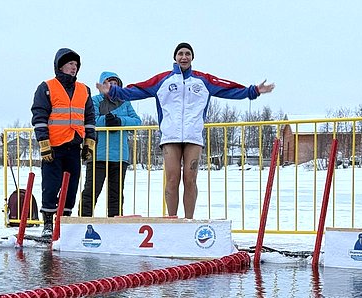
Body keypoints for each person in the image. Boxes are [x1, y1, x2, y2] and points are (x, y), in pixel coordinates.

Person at [96, 42, 274, 219]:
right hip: (170, 137)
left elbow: (228, 89)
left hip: (193, 137)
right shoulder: (162, 80)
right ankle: (172, 220)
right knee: (172, 180)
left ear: (192, 58)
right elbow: (137, 90)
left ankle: (189, 221)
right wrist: (113, 91)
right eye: (180, 53)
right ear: (175, 57)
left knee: (190, 179)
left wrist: (254, 91)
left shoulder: (203, 80)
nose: (184, 57)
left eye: (187, 53)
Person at [31, 48, 96, 238]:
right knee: (51, 185)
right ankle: (48, 223)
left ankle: (64, 222)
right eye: (70, 64)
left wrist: (89, 142)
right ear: (60, 66)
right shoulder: (47, 87)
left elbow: (89, 117)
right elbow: (39, 116)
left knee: (72, 186)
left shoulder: (84, 89)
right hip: (54, 145)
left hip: (74, 145)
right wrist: (44, 143)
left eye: (76, 65)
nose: (74, 67)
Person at [80, 71, 142, 217]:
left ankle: (114, 226)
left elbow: (137, 121)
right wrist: (106, 121)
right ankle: (83, 223)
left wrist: (120, 121)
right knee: (91, 191)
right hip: (98, 155)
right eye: (109, 83)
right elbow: (90, 120)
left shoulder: (125, 102)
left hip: (119, 156)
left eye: (116, 84)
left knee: (116, 195)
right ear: (101, 86)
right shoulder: (94, 100)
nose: (112, 87)